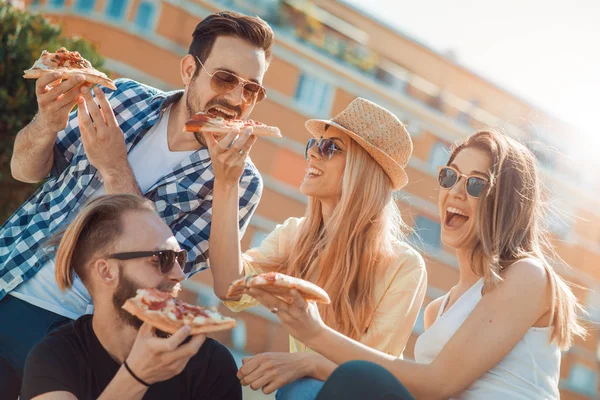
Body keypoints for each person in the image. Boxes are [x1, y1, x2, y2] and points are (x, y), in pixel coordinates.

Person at [0, 10, 273, 396]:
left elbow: (161, 273)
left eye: (252, 90)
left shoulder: (239, 182)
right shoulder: (125, 97)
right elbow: (24, 170)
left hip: (78, 334)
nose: (235, 98)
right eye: (225, 78)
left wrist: (114, 168)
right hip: (10, 273)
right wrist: (47, 121)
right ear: (188, 70)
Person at [245, 130, 588, 400]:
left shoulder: (527, 275)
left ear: (508, 203)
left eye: (476, 184)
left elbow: (437, 383)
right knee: (307, 389)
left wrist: (314, 342)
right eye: (450, 176)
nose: (455, 192)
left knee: (330, 384)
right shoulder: (438, 311)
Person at [204, 97, 427, 399]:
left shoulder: (404, 266)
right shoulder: (295, 234)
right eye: (313, 143)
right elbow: (229, 286)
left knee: (302, 389)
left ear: (363, 172)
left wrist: (306, 362)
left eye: (330, 147)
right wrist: (226, 183)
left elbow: (369, 376)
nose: (312, 154)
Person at [20, 194, 241, 400]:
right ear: (106, 271)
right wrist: (136, 377)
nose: (179, 274)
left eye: (179, 258)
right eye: (162, 258)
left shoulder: (209, 363)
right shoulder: (55, 357)